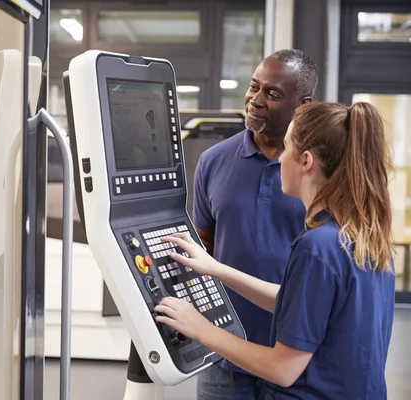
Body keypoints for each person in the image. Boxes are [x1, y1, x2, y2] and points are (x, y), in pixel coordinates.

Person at [156, 101, 395, 399]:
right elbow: (294, 303)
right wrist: (215, 268)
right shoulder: (362, 238)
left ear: (306, 161)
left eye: (286, 149)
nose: (279, 159)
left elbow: (283, 368)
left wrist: (200, 328)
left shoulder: (317, 248)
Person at [191, 49, 319, 398]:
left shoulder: (316, 171)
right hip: (226, 352)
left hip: (297, 353)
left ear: (303, 105)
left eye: (273, 94)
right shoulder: (212, 162)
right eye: (253, 87)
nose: (256, 100)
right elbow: (205, 249)